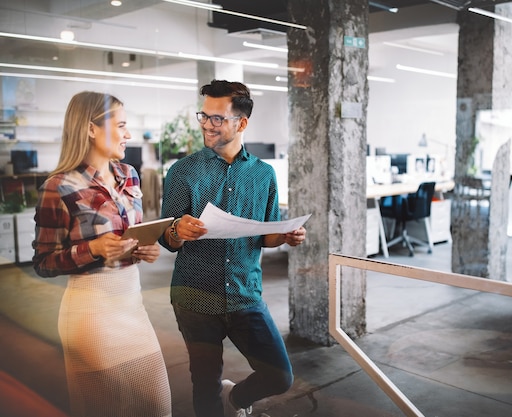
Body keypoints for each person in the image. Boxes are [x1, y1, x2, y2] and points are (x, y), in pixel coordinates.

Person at [158, 79, 306, 417]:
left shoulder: (263, 175)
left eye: (217, 118)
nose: (207, 125)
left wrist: (284, 236)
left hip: (244, 293)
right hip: (195, 295)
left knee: (279, 375)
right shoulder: (183, 172)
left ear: (241, 123)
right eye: (204, 116)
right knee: (205, 384)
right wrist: (177, 230)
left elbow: (264, 236)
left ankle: (236, 400)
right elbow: (166, 238)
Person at [32, 91, 172, 417]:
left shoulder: (130, 175)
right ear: (91, 129)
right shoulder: (59, 186)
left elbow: (129, 236)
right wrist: (92, 249)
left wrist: (142, 249)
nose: (128, 134)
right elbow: (43, 262)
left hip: (133, 308)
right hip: (91, 319)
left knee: (158, 407)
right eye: (121, 125)